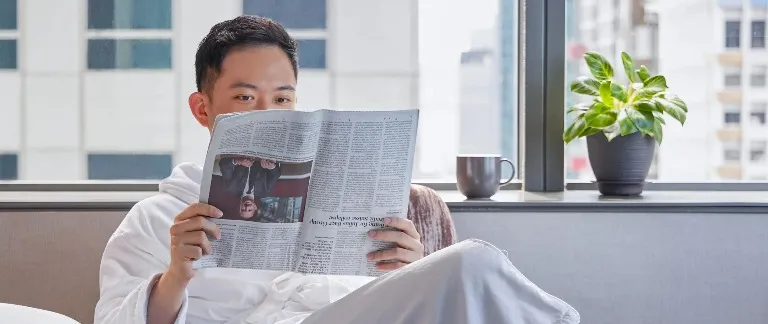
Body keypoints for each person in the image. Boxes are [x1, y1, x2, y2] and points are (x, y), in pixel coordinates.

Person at [94, 16, 580, 324]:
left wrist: (411, 270)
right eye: (245, 98)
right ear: (203, 109)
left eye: (282, 97)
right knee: (472, 260)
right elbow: (116, 319)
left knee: (469, 263)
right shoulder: (156, 219)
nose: (269, 112)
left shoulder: (342, 202)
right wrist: (176, 275)